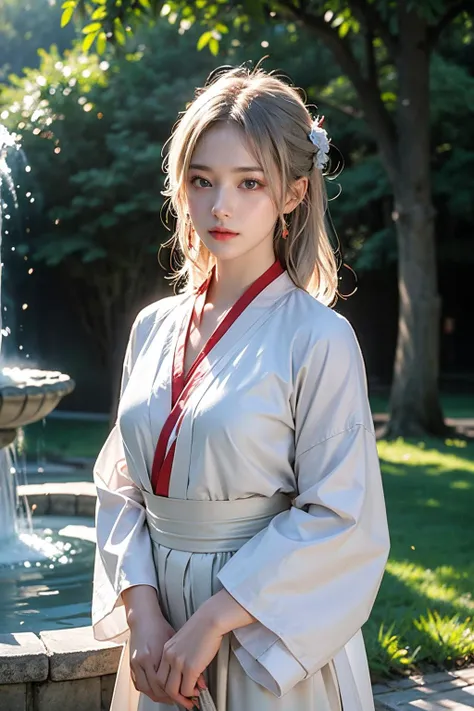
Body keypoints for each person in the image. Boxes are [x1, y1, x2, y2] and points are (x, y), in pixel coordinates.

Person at [92, 64, 390, 711]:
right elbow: (119, 485)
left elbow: (340, 516)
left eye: (248, 182)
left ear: (292, 193)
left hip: (263, 636)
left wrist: (210, 623)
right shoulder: (153, 328)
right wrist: (144, 613)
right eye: (203, 180)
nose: (219, 205)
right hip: (158, 639)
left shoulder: (318, 338)